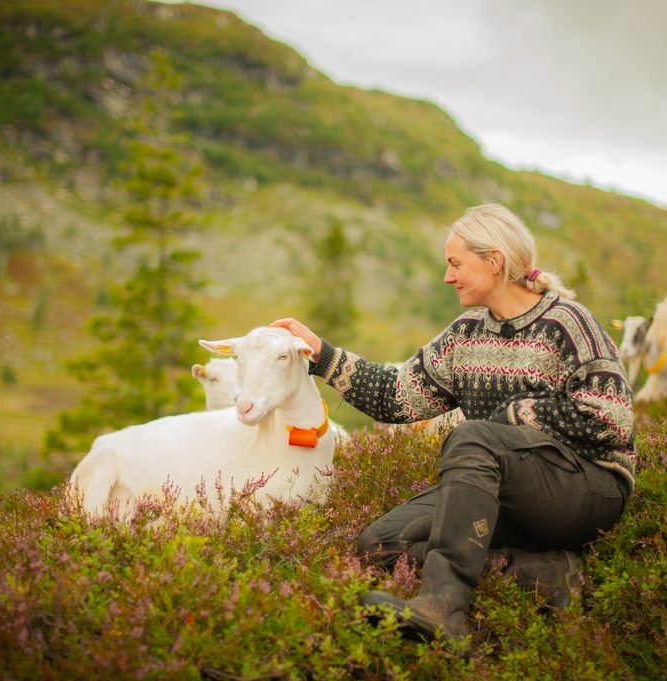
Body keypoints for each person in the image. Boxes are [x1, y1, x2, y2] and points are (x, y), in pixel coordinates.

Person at [271, 203, 636, 644]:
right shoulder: (465, 334)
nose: (449, 277)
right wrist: (322, 355)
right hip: (505, 494)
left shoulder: (568, 323)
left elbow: (612, 419)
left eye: (456, 263)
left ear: (494, 261)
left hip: (586, 492)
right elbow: (395, 395)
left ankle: (442, 607)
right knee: (381, 544)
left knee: (474, 435)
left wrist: (516, 415)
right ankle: (544, 572)